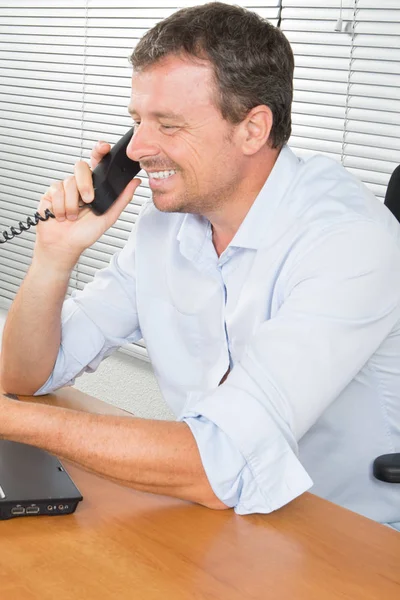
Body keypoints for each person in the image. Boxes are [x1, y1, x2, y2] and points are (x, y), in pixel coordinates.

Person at [1, 2, 400, 527]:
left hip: (342, 532)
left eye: (168, 125)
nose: (139, 148)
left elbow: (222, 459)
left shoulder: (349, 240)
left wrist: (9, 420)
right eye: (136, 122)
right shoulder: (168, 223)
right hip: (218, 518)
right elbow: (24, 375)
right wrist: (54, 257)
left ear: (253, 129)